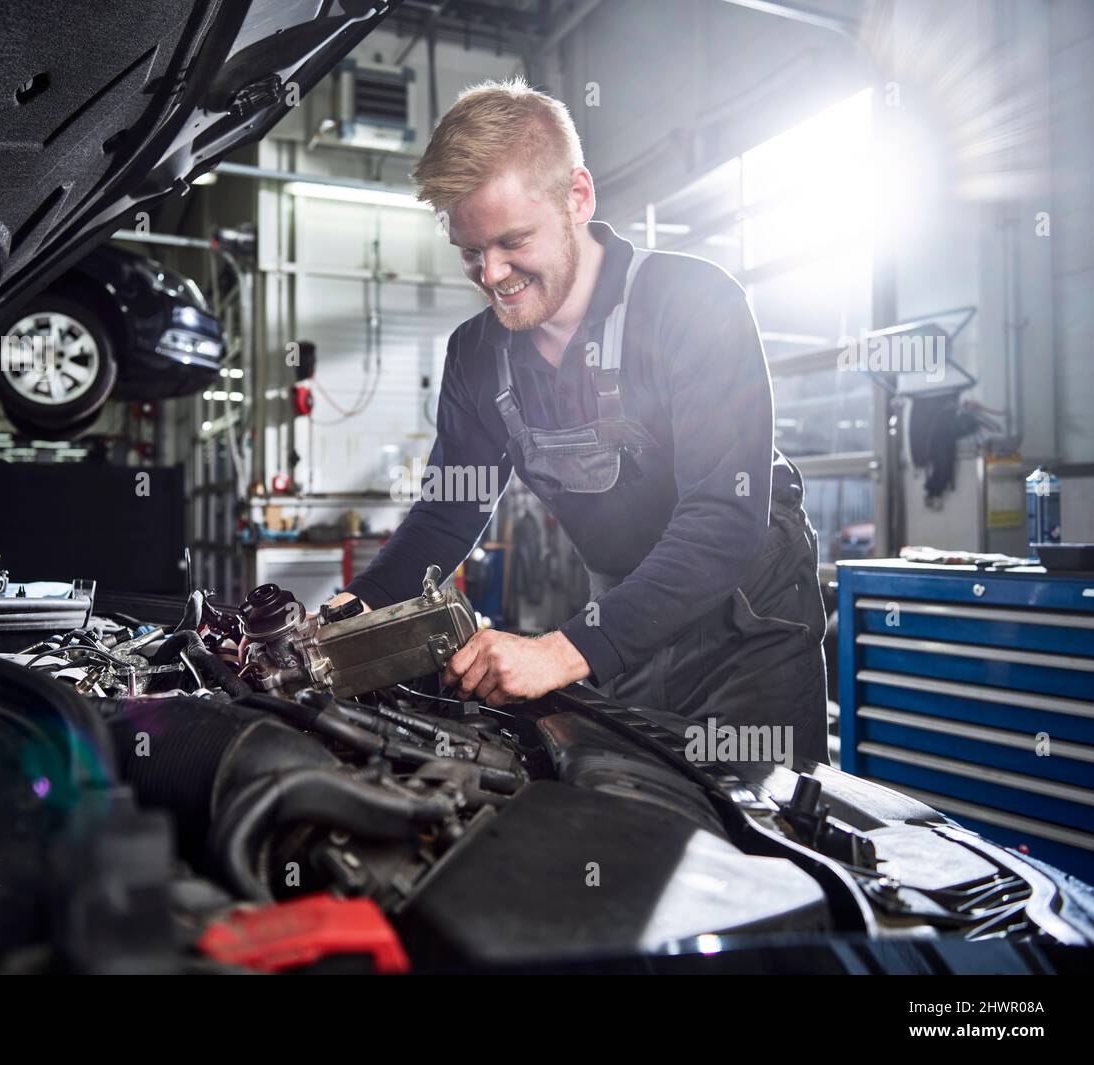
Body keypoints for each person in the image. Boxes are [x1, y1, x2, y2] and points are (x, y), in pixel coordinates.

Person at [326, 78, 828, 765]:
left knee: (765, 836)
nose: (491, 273)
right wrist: (346, 617)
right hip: (624, 623)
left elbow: (724, 519)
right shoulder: (476, 357)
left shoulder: (695, 305)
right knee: (636, 820)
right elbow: (446, 518)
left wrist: (562, 651)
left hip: (747, 625)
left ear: (578, 198)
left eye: (512, 241)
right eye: (469, 251)